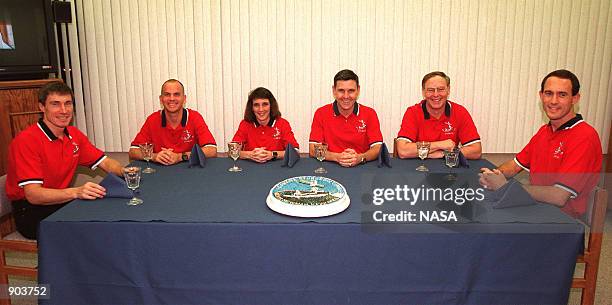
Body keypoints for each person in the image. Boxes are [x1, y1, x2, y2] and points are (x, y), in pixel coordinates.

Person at [5, 82, 125, 239]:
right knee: (91, 231)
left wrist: (125, 172)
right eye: (55, 104)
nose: (64, 110)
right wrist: (76, 192)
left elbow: (105, 162)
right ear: (42, 107)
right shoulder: (26, 141)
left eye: (68, 103)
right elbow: (33, 195)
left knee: (109, 213)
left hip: (60, 202)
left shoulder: (74, 134)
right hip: (30, 211)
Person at [479, 70, 602, 217]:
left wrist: (505, 187)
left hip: (559, 221)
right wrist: (492, 175)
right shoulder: (544, 131)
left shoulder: (585, 136)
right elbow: (514, 166)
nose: (553, 101)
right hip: (535, 208)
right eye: (549, 93)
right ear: (541, 95)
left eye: (562, 95)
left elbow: (559, 196)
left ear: (575, 98)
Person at [396, 71, 482, 159]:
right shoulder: (413, 112)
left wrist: (442, 154)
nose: (436, 94)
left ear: (448, 90)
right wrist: (440, 145)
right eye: (430, 90)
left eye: (440, 89)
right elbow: (403, 151)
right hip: (419, 168)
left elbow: (476, 151)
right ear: (423, 92)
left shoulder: (460, 112)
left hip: (450, 168)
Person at [129, 79, 217, 164]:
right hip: (161, 171)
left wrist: (180, 157)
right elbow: (133, 151)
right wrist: (154, 156)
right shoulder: (152, 119)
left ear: (184, 98)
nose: (171, 98)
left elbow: (212, 150)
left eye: (176, 94)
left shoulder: (194, 117)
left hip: (189, 170)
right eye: (167, 94)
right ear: (161, 99)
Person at [309, 69, 383, 167]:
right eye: (341, 91)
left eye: (351, 91)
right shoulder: (321, 113)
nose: (346, 96)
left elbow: (378, 148)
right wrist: (337, 157)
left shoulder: (370, 113)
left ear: (358, 90)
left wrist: (360, 157)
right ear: (334, 91)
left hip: (362, 166)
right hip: (330, 166)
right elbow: (312, 149)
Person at [231, 87, 299, 162]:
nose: (261, 109)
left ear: (271, 106)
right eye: (256, 105)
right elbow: (232, 150)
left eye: (265, 104)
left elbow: (295, 151)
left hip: (276, 169)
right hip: (250, 168)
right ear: (251, 108)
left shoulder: (282, 124)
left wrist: (272, 154)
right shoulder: (245, 124)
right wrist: (250, 155)